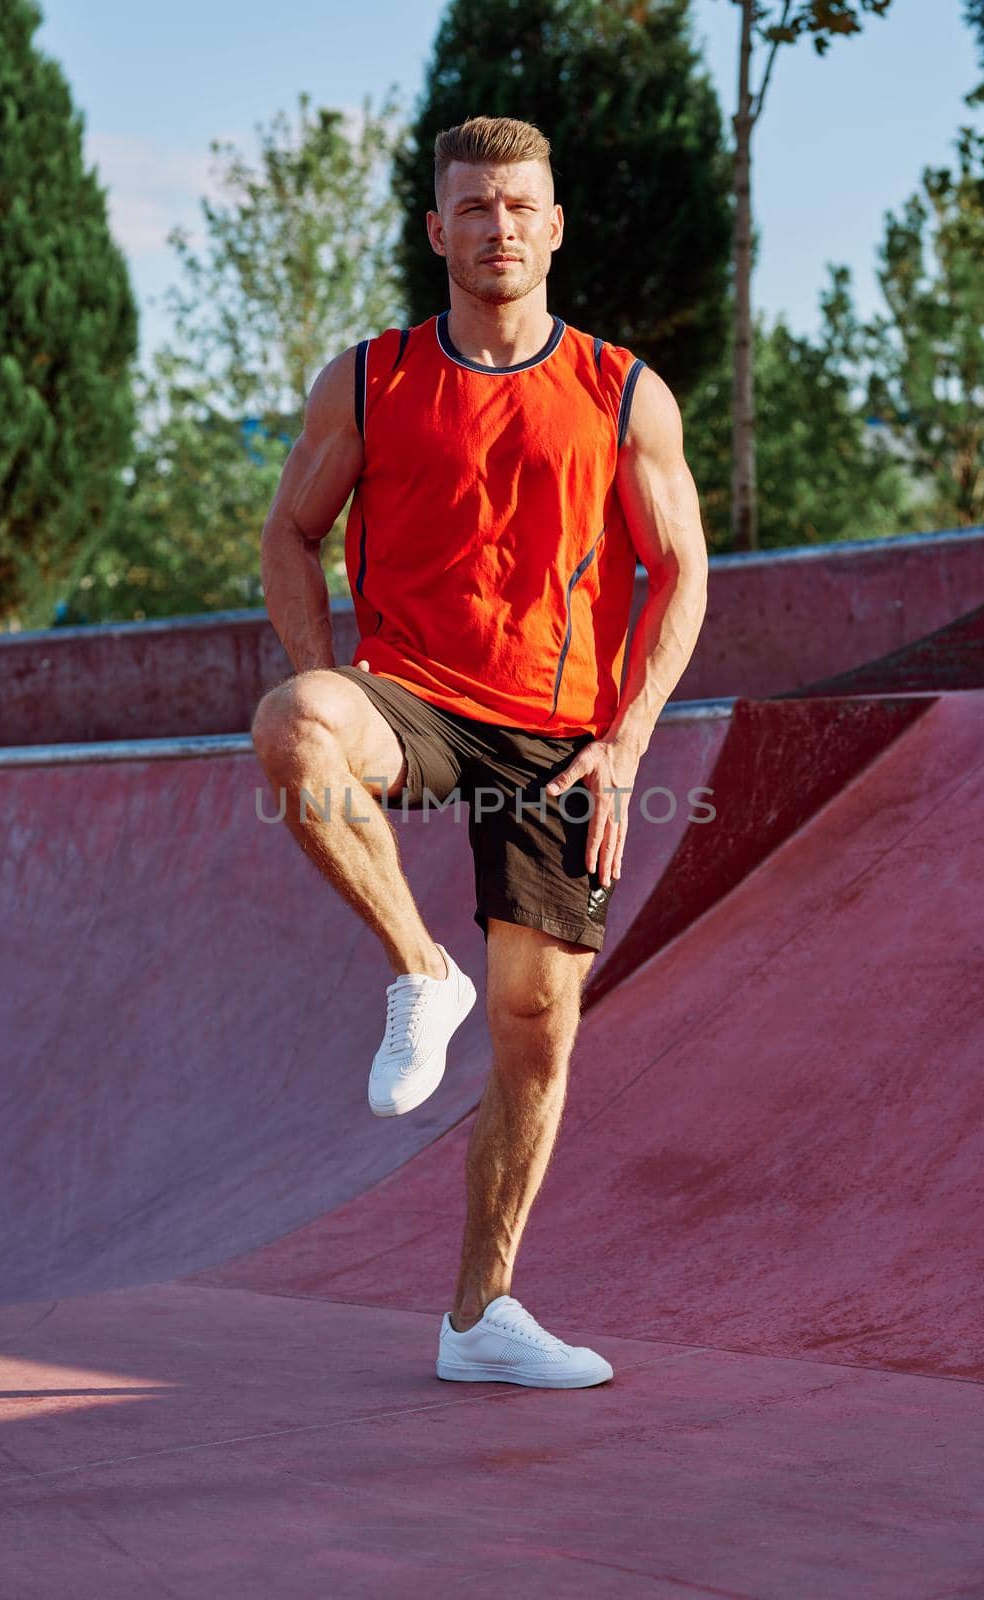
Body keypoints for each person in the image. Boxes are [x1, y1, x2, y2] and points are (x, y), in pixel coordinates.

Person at [252, 115, 709, 1389]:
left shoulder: (623, 392)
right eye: (472, 207)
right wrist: (325, 677)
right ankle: (417, 973)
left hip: (563, 736)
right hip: (412, 697)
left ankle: (478, 1317)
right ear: (436, 227)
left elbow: (678, 571)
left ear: (553, 226)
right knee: (292, 728)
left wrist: (624, 742)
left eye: (519, 206)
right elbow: (291, 531)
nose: (497, 226)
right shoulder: (370, 378)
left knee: (536, 1024)